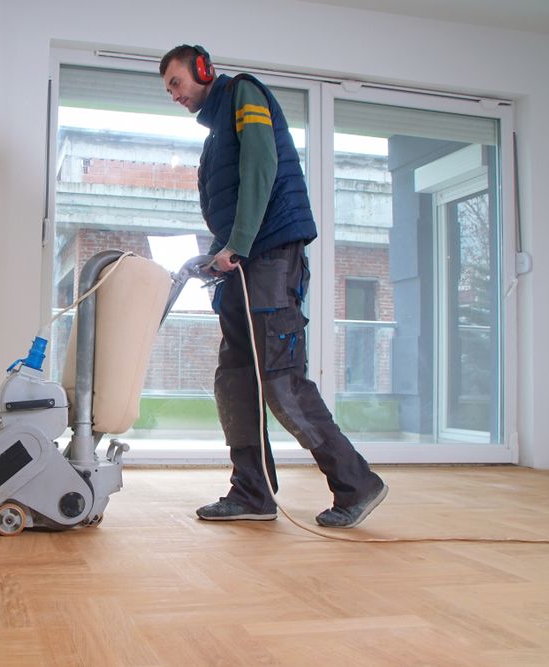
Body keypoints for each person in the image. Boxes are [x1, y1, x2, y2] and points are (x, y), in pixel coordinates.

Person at [160, 44, 387, 528]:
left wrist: (237, 245)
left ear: (203, 70)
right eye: (169, 90)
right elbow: (232, 196)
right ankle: (251, 492)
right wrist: (218, 255)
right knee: (235, 381)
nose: (174, 95)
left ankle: (356, 483)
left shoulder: (245, 95)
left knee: (281, 379)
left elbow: (262, 169)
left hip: (269, 259)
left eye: (177, 83)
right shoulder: (216, 132)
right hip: (241, 265)